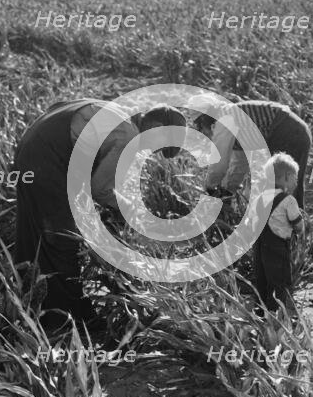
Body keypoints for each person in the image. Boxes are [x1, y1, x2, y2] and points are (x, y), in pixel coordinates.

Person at [13, 99, 186, 327]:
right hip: (49, 161)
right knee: (64, 238)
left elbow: (60, 108)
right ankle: (66, 317)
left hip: (30, 150)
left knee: (33, 231)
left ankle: (24, 299)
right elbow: (100, 189)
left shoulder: (117, 114)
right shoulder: (127, 137)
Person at [193, 99, 311, 208]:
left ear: (205, 118)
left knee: (280, 186)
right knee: (291, 185)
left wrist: (209, 187)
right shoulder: (237, 122)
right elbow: (240, 163)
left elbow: (219, 162)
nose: (203, 131)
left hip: (286, 130)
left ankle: (289, 224)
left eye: (200, 127)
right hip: (296, 129)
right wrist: (227, 190)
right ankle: (297, 223)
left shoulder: (224, 118)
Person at [252, 152, 305, 313]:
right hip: (278, 248)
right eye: (295, 177)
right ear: (287, 178)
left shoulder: (260, 197)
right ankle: (275, 314)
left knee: (262, 279)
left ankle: (260, 311)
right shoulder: (289, 200)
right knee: (278, 281)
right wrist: (301, 230)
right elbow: (298, 224)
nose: (296, 181)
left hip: (259, 245)